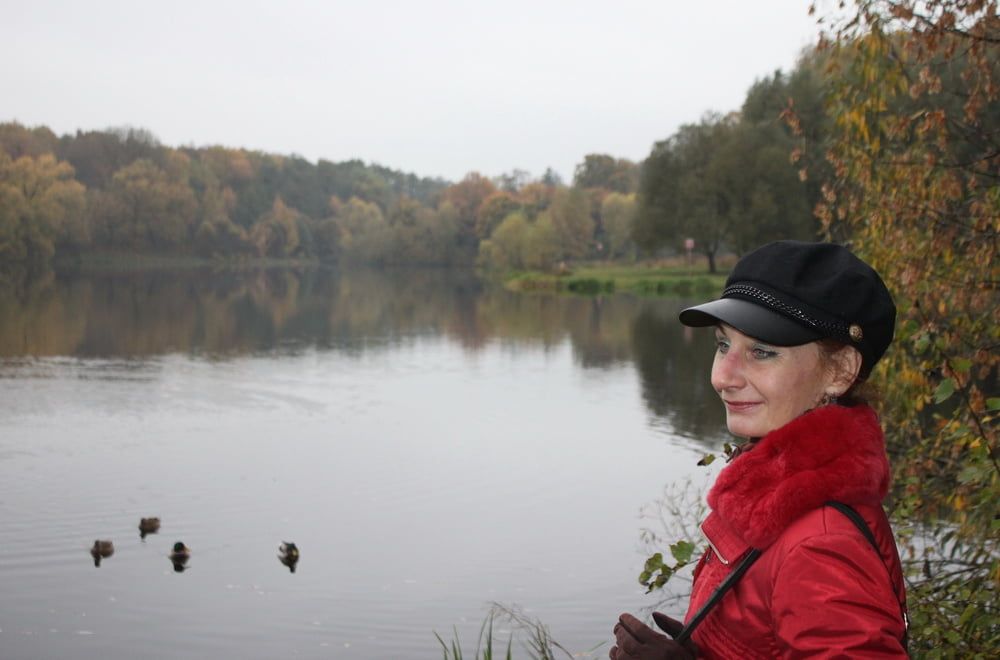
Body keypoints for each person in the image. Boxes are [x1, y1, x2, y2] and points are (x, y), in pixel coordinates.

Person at [610, 241, 908, 659]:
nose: (722, 377)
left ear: (840, 371)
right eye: (722, 345)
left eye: (762, 351)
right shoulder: (778, 493)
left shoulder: (820, 544)